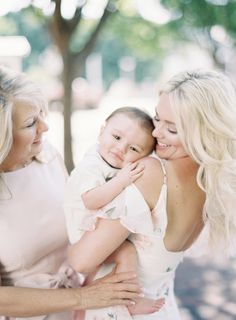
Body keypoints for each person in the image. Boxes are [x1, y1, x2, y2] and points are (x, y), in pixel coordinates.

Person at [67, 69, 236, 319]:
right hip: (161, 308)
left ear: (203, 132)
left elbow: (81, 261)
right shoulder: (211, 182)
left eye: (172, 129)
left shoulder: (150, 173)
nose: (156, 133)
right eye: (157, 119)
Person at [0, 65, 142, 319]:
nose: (45, 127)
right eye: (31, 123)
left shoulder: (47, 155)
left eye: (41, 114)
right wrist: (85, 297)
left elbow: (80, 219)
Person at [64, 107, 164, 316]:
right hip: (82, 229)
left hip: (92, 227)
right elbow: (91, 200)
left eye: (134, 149)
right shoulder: (91, 165)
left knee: (98, 270)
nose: (120, 148)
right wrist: (121, 181)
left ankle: (82, 307)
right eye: (116, 137)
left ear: (145, 156)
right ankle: (132, 299)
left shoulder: (110, 161)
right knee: (126, 251)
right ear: (102, 131)